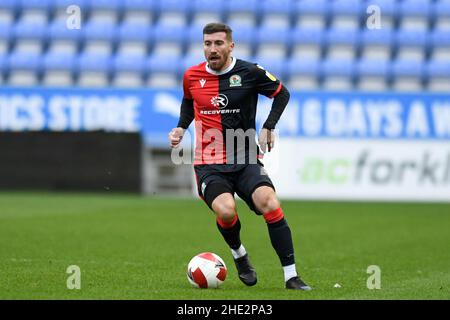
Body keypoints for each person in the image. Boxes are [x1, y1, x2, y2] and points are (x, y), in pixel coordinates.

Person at [168, 22, 311, 290]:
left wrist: (269, 126)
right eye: (208, 44)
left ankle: (291, 276)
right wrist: (180, 127)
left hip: (245, 157)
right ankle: (239, 255)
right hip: (209, 162)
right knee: (225, 210)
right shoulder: (191, 76)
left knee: (268, 201)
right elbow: (189, 103)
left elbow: (282, 94)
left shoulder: (250, 72)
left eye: (218, 43)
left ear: (230, 46)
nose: (212, 49)